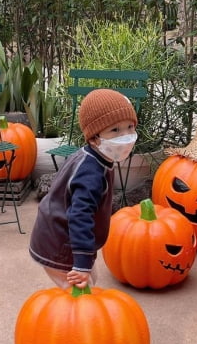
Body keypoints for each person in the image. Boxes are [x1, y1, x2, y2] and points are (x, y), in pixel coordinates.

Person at [29, 89, 138, 289]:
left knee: (89, 283)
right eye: (115, 130)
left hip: (63, 235)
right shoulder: (91, 173)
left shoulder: (97, 156)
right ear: (94, 137)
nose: (126, 136)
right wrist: (80, 264)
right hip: (60, 242)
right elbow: (80, 216)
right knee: (77, 293)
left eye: (130, 127)